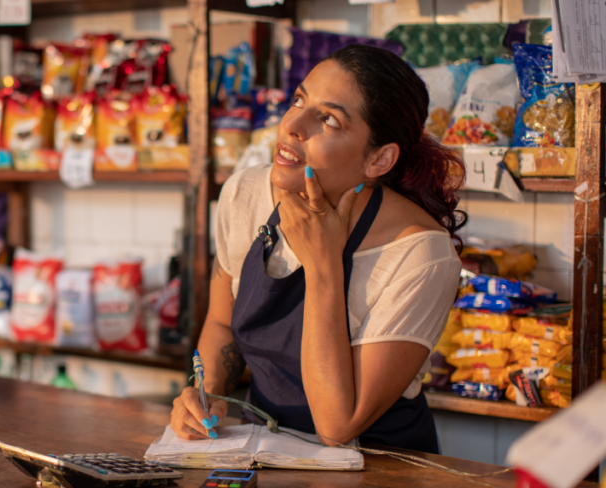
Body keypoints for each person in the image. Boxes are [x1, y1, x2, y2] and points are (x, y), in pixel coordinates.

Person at [171, 44, 465, 453]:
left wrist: (324, 263)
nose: (292, 124)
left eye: (327, 119)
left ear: (379, 160)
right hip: (265, 452)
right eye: (298, 100)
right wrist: (206, 393)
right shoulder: (246, 193)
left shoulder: (420, 256)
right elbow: (222, 323)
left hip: (379, 476)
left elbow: (337, 426)